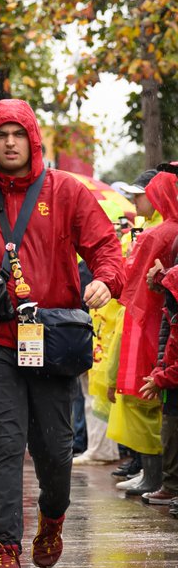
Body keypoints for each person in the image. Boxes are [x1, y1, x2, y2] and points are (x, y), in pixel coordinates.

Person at [0, 98, 125, 568]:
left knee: (56, 452)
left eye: (18, 134)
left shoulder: (65, 192)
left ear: (33, 140)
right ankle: (4, 548)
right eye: (1, 135)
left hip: (53, 340)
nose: (10, 143)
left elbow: (105, 247)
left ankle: (53, 518)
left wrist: (107, 279)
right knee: (2, 444)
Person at [107, 171, 178, 496]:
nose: (136, 201)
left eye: (142, 193)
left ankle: (156, 476)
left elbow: (130, 280)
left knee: (144, 398)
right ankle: (157, 476)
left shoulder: (156, 234)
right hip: (160, 318)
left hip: (148, 320)